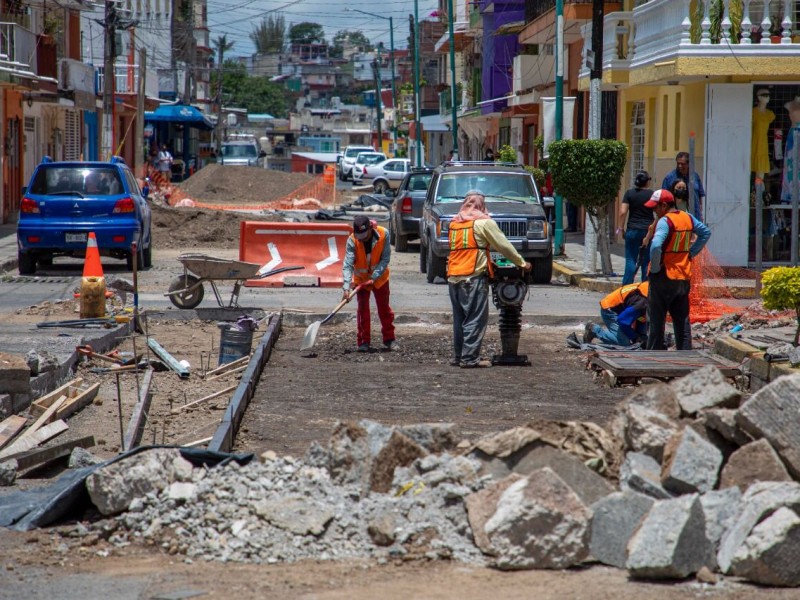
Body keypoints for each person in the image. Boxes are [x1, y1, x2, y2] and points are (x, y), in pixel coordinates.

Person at [447, 189, 532, 368]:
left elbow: (468, 248)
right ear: (481, 204)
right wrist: (522, 263)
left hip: (453, 276)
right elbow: (504, 246)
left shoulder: (455, 223)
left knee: (460, 320)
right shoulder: (483, 222)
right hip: (472, 277)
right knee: (475, 319)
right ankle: (469, 359)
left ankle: (459, 356)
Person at [645, 189, 711, 351]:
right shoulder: (687, 217)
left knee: (656, 321)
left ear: (664, 205)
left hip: (663, 276)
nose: (654, 211)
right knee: (682, 322)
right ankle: (685, 355)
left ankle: (654, 358)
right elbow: (705, 233)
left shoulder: (664, 221)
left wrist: (654, 268)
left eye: (656, 207)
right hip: (682, 277)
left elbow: (655, 246)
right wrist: (691, 253)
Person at [341, 215, 396, 352]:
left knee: (384, 309)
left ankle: (389, 339)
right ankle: (363, 342)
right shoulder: (352, 240)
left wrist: (375, 276)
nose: (362, 239)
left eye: (364, 236)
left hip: (380, 278)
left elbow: (385, 259)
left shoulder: (384, 234)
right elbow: (348, 265)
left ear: (371, 229)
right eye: (359, 236)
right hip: (361, 280)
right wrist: (346, 288)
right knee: (362, 310)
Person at [584, 281, 649, 346]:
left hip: (623, 309)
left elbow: (641, 317)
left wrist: (642, 337)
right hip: (609, 310)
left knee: (643, 339)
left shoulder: (650, 289)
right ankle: (593, 330)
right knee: (624, 343)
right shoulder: (642, 303)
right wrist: (634, 337)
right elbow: (623, 320)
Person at [620, 170, 655, 284]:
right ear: (647, 182)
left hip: (632, 230)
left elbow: (622, 212)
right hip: (647, 231)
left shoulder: (629, 193)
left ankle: (626, 289)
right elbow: (658, 212)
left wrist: (621, 228)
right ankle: (645, 288)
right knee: (646, 261)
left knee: (631, 260)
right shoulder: (652, 194)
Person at [662, 151, 705, 221]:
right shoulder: (669, 178)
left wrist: (700, 213)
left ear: (689, 164)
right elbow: (664, 199)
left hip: (695, 217)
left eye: (682, 164)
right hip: (677, 219)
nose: (680, 166)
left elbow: (699, 195)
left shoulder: (695, 176)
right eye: (678, 163)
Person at [751, 88, 775, 184]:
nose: (768, 97)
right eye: (765, 95)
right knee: (745, 170)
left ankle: (758, 196)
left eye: (769, 95)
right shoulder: (753, 112)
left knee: (760, 173)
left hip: (762, 145)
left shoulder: (770, 114)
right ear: (759, 97)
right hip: (752, 143)